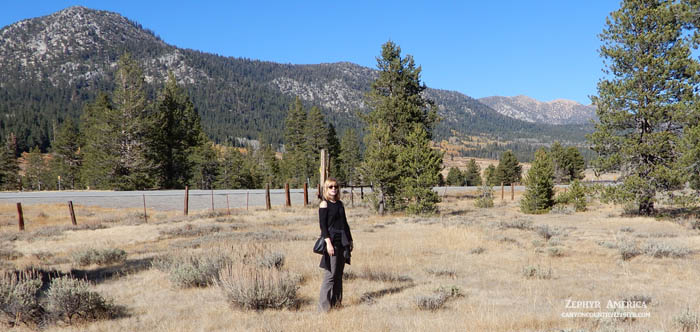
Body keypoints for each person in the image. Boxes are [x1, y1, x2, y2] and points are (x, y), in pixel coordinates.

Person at [318, 178, 353, 312]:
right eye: (330, 187)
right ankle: (323, 309)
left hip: (342, 241)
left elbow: (345, 223)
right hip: (331, 241)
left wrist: (350, 240)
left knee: (339, 274)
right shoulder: (324, 204)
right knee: (330, 275)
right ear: (326, 189)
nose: (334, 189)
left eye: (336, 187)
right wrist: (328, 243)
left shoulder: (340, 204)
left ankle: (337, 304)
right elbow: (323, 226)